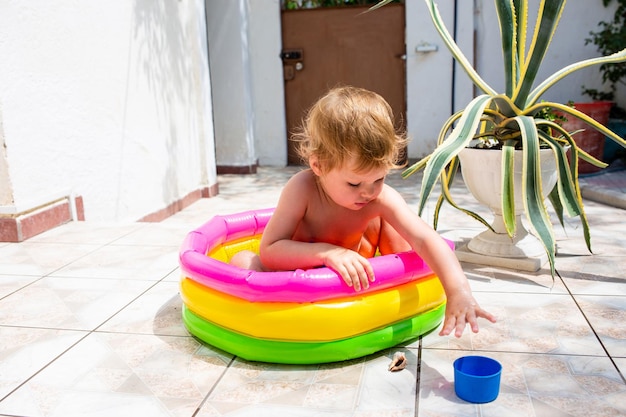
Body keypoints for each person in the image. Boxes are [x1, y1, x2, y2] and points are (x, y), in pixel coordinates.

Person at [230, 86, 496, 338]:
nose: (368, 193)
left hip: (358, 281)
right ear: (319, 165)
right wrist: (327, 253)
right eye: (354, 183)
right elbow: (270, 249)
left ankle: (399, 290)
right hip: (299, 277)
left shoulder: (380, 198)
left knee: (396, 220)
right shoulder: (302, 189)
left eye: (379, 179)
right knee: (244, 261)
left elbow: (426, 239)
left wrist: (458, 290)